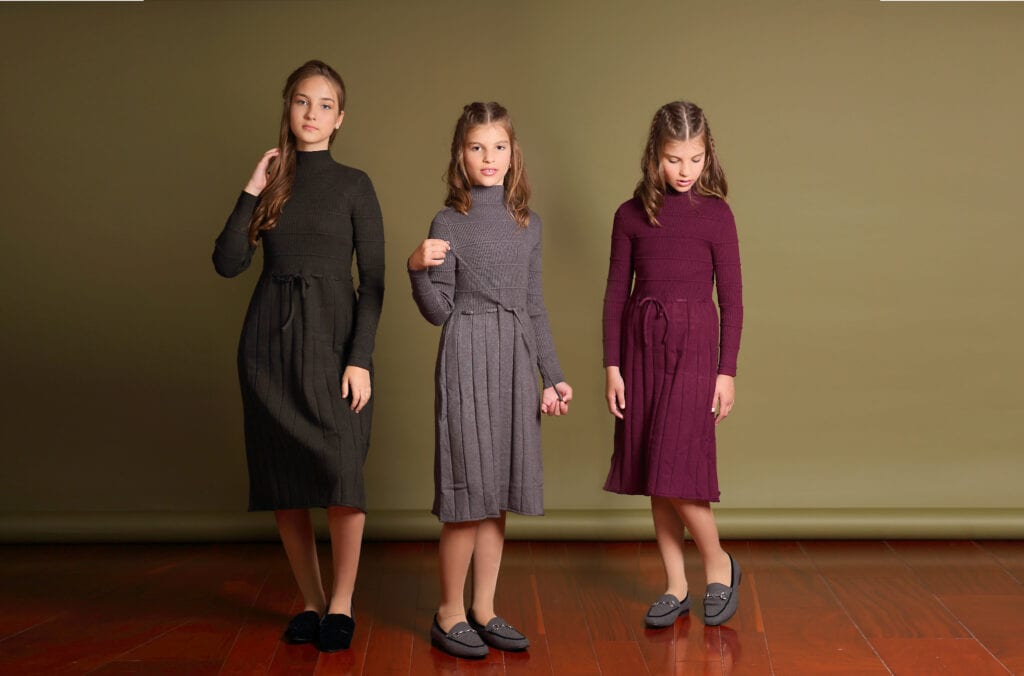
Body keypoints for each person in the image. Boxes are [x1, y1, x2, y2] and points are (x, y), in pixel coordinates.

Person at [212, 60, 385, 652]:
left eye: (325, 105)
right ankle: (311, 601)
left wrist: (359, 358)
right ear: (288, 109)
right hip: (269, 347)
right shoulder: (272, 182)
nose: (312, 114)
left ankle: (342, 602)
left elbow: (375, 282)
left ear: (341, 119)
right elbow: (228, 262)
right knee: (285, 482)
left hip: (335, 345)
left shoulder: (355, 185)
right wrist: (250, 189)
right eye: (302, 102)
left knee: (343, 476)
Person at [408, 102, 573, 659]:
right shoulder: (447, 222)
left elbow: (534, 305)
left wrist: (552, 376)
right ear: (461, 154)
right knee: (467, 494)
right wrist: (416, 269)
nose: (489, 158)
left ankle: (484, 608)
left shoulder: (529, 224)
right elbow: (438, 311)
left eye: (499, 147)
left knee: (497, 491)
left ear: (513, 152)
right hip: (466, 356)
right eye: (477, 147)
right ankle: (449, 612)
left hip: (515, 360)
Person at [602, 100, 743, 628]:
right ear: (653, 156)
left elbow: (733, 300)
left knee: (676, 467)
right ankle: (675, 584)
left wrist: (726, 372)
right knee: (653, 469)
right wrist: (611, 366)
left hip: (696, 348)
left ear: (708, 156)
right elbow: (615, 295)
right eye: (673, 159)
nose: (685, 171)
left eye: (695, 159)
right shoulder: (629, 216)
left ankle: (718, 563)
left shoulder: (717, 215)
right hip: (641, 348)